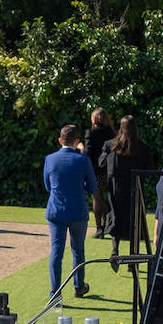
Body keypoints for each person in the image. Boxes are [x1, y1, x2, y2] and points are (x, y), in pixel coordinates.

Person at [42, 124, 97, 298]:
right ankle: (79, 286)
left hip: (56, 210)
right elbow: (93, 187)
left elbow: (48, 185)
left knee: (56, 251)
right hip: (77, 211)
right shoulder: (83, 160)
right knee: (78, 250)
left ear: (60, 140)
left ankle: (55, 293)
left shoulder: (50, 159)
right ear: (77, 141)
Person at [100, 114, 152, 259]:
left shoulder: (111, 145)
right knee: (134, 220)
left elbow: (101, 164)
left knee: (116, 216)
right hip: (134, 188)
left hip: (116, 188)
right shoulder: (141, 147)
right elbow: (149, 168)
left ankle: (115, 250)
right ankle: (132, 256)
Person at [83, 107, 115, 238]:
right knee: (109, 198)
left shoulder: (90, 133)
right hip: (110, 170)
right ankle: (109, 224)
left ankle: (99, 228)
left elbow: (87, 152)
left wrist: (80, 147)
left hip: (95, 171)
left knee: (97, 198)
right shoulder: (112, 133)